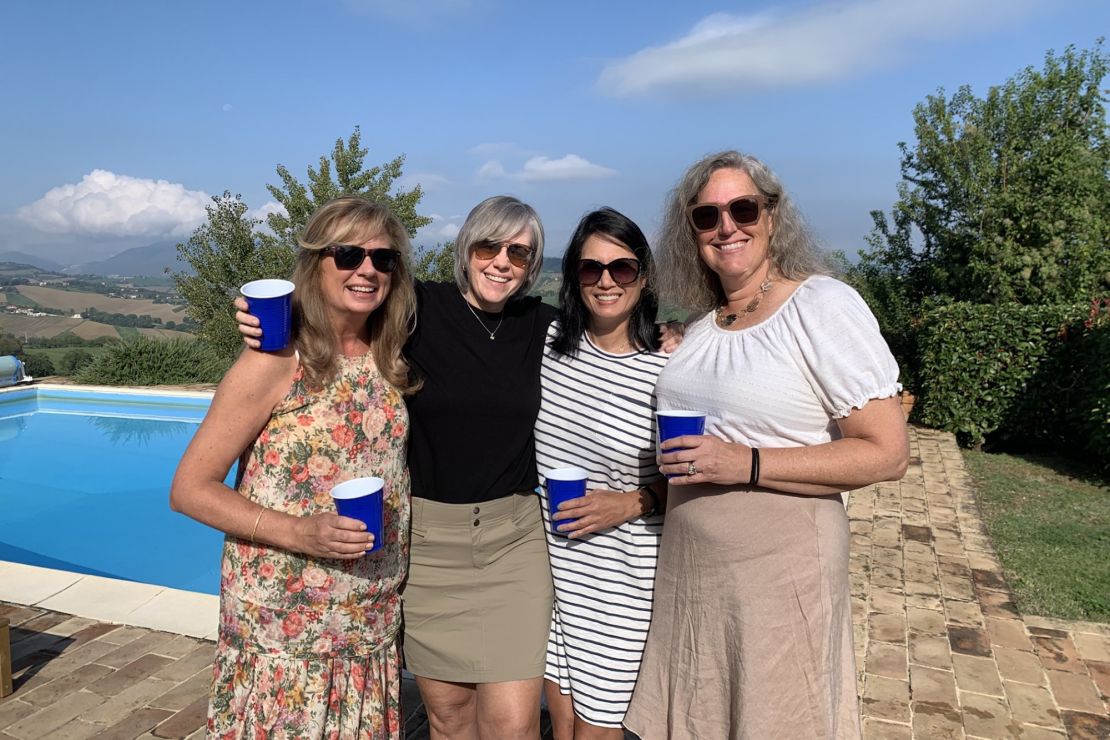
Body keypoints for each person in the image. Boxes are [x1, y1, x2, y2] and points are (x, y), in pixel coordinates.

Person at [237, 195, 556, 740]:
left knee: (512, 724)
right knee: (449, 719)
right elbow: (340, 302)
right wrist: (264, 319)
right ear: (466, 249)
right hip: (429, 546)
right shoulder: (416, 309)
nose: (502, 261)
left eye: (520, 254)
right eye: (489, 246)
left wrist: (670, 334)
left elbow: (612, 332)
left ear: (532, 267)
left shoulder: (544, 325)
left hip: (511, 543)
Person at [623, 151, 909, 740]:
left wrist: (745, 461)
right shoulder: (703, 327)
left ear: (773, 216)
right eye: (706, 216)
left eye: (743, 208)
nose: (726, 226)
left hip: (781, 573)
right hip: (693, 573)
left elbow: (886, 451)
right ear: (691, 232)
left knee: (777, 718)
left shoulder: (820, 305)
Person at [171, 196, 420, 737]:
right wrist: (300, 532)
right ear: (315, 264)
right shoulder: (276, 358)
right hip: (285, 620)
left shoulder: (390, 353)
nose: (368, 269)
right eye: (348, 254)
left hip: (367, 612)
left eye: (384, 258)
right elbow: (190, 488)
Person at [535, 207, 669, 740]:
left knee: (599, 731)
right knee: (561, 726)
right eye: (591, 269)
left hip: (624, 584)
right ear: (573, 277)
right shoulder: (549, 346)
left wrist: (633, 502)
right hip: (554, 573)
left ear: (644, 275)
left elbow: (695, 473)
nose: (607, 281)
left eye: (623, 268)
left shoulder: (669, 364)